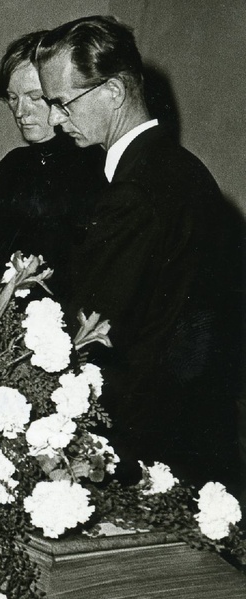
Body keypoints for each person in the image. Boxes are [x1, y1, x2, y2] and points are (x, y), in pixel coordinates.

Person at [36, 16, 241, 492]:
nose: (53, 120)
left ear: (112, 91)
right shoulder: (179, 169)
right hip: (196, 435)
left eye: (61, 103)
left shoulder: (137, 191)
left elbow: (97, 332)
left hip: (154, 448)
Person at [0, 30, 106, 302]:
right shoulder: (13, 166)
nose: (20, 112)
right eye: (13, 98)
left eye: (35, 97)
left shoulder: (97, 162)